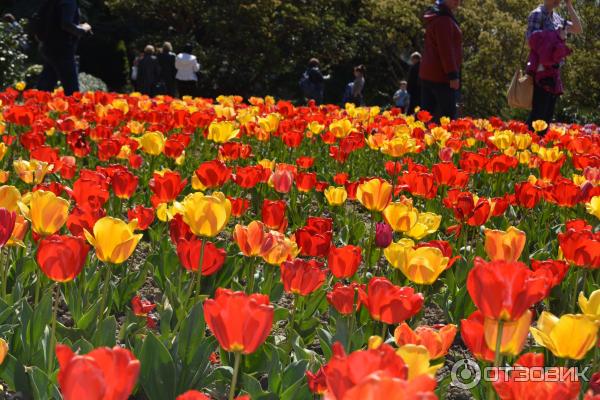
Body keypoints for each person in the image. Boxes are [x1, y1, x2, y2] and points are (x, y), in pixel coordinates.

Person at [525, 0, 582, 134]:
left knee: (547, 116)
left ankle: (537, 148)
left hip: (554, 73)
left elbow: (578, 29)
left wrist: (569, 5)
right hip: (540, 72)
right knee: (538, 115)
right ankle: (526, 147)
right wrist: (557, 36)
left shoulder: (556, 18)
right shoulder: (537, 14)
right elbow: (531, 41)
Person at [36, 0, 92, 96]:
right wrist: (84, 29)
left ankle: (35, 108)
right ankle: (75, 110)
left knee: (45, 86)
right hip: (62, 49)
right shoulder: (68, 1)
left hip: (47, 45)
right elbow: (66, 24)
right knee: (72, 90)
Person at [419, 0, 462, 122]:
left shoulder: (435, 17)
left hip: (428, 74)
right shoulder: (444, 20)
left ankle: (421, 140)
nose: (458, 2)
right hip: (442, 76)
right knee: (448, 119)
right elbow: (446, 49)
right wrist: (453, 75)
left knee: (426, 117)